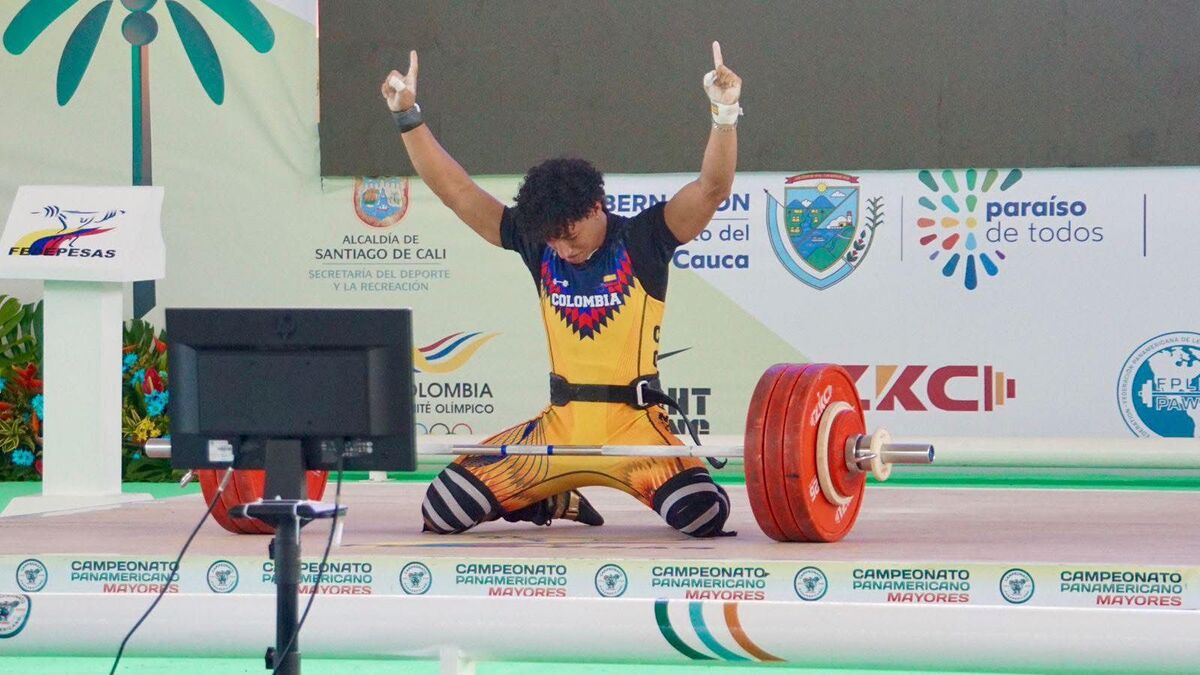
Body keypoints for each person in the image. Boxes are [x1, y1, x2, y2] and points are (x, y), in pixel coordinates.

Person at [382, 42, 742, 537]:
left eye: (568, 236)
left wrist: (724, 113)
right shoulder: (540, 246)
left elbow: (711, 189)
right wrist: (408, 118)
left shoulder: (644, 239)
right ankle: (553, 498)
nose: (561, 249)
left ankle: (558, 491)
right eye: (551, 238)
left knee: (703, 517)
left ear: (596, 206)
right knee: (440, 511)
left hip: (636, 434)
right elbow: (458, 192)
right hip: (559, 432)